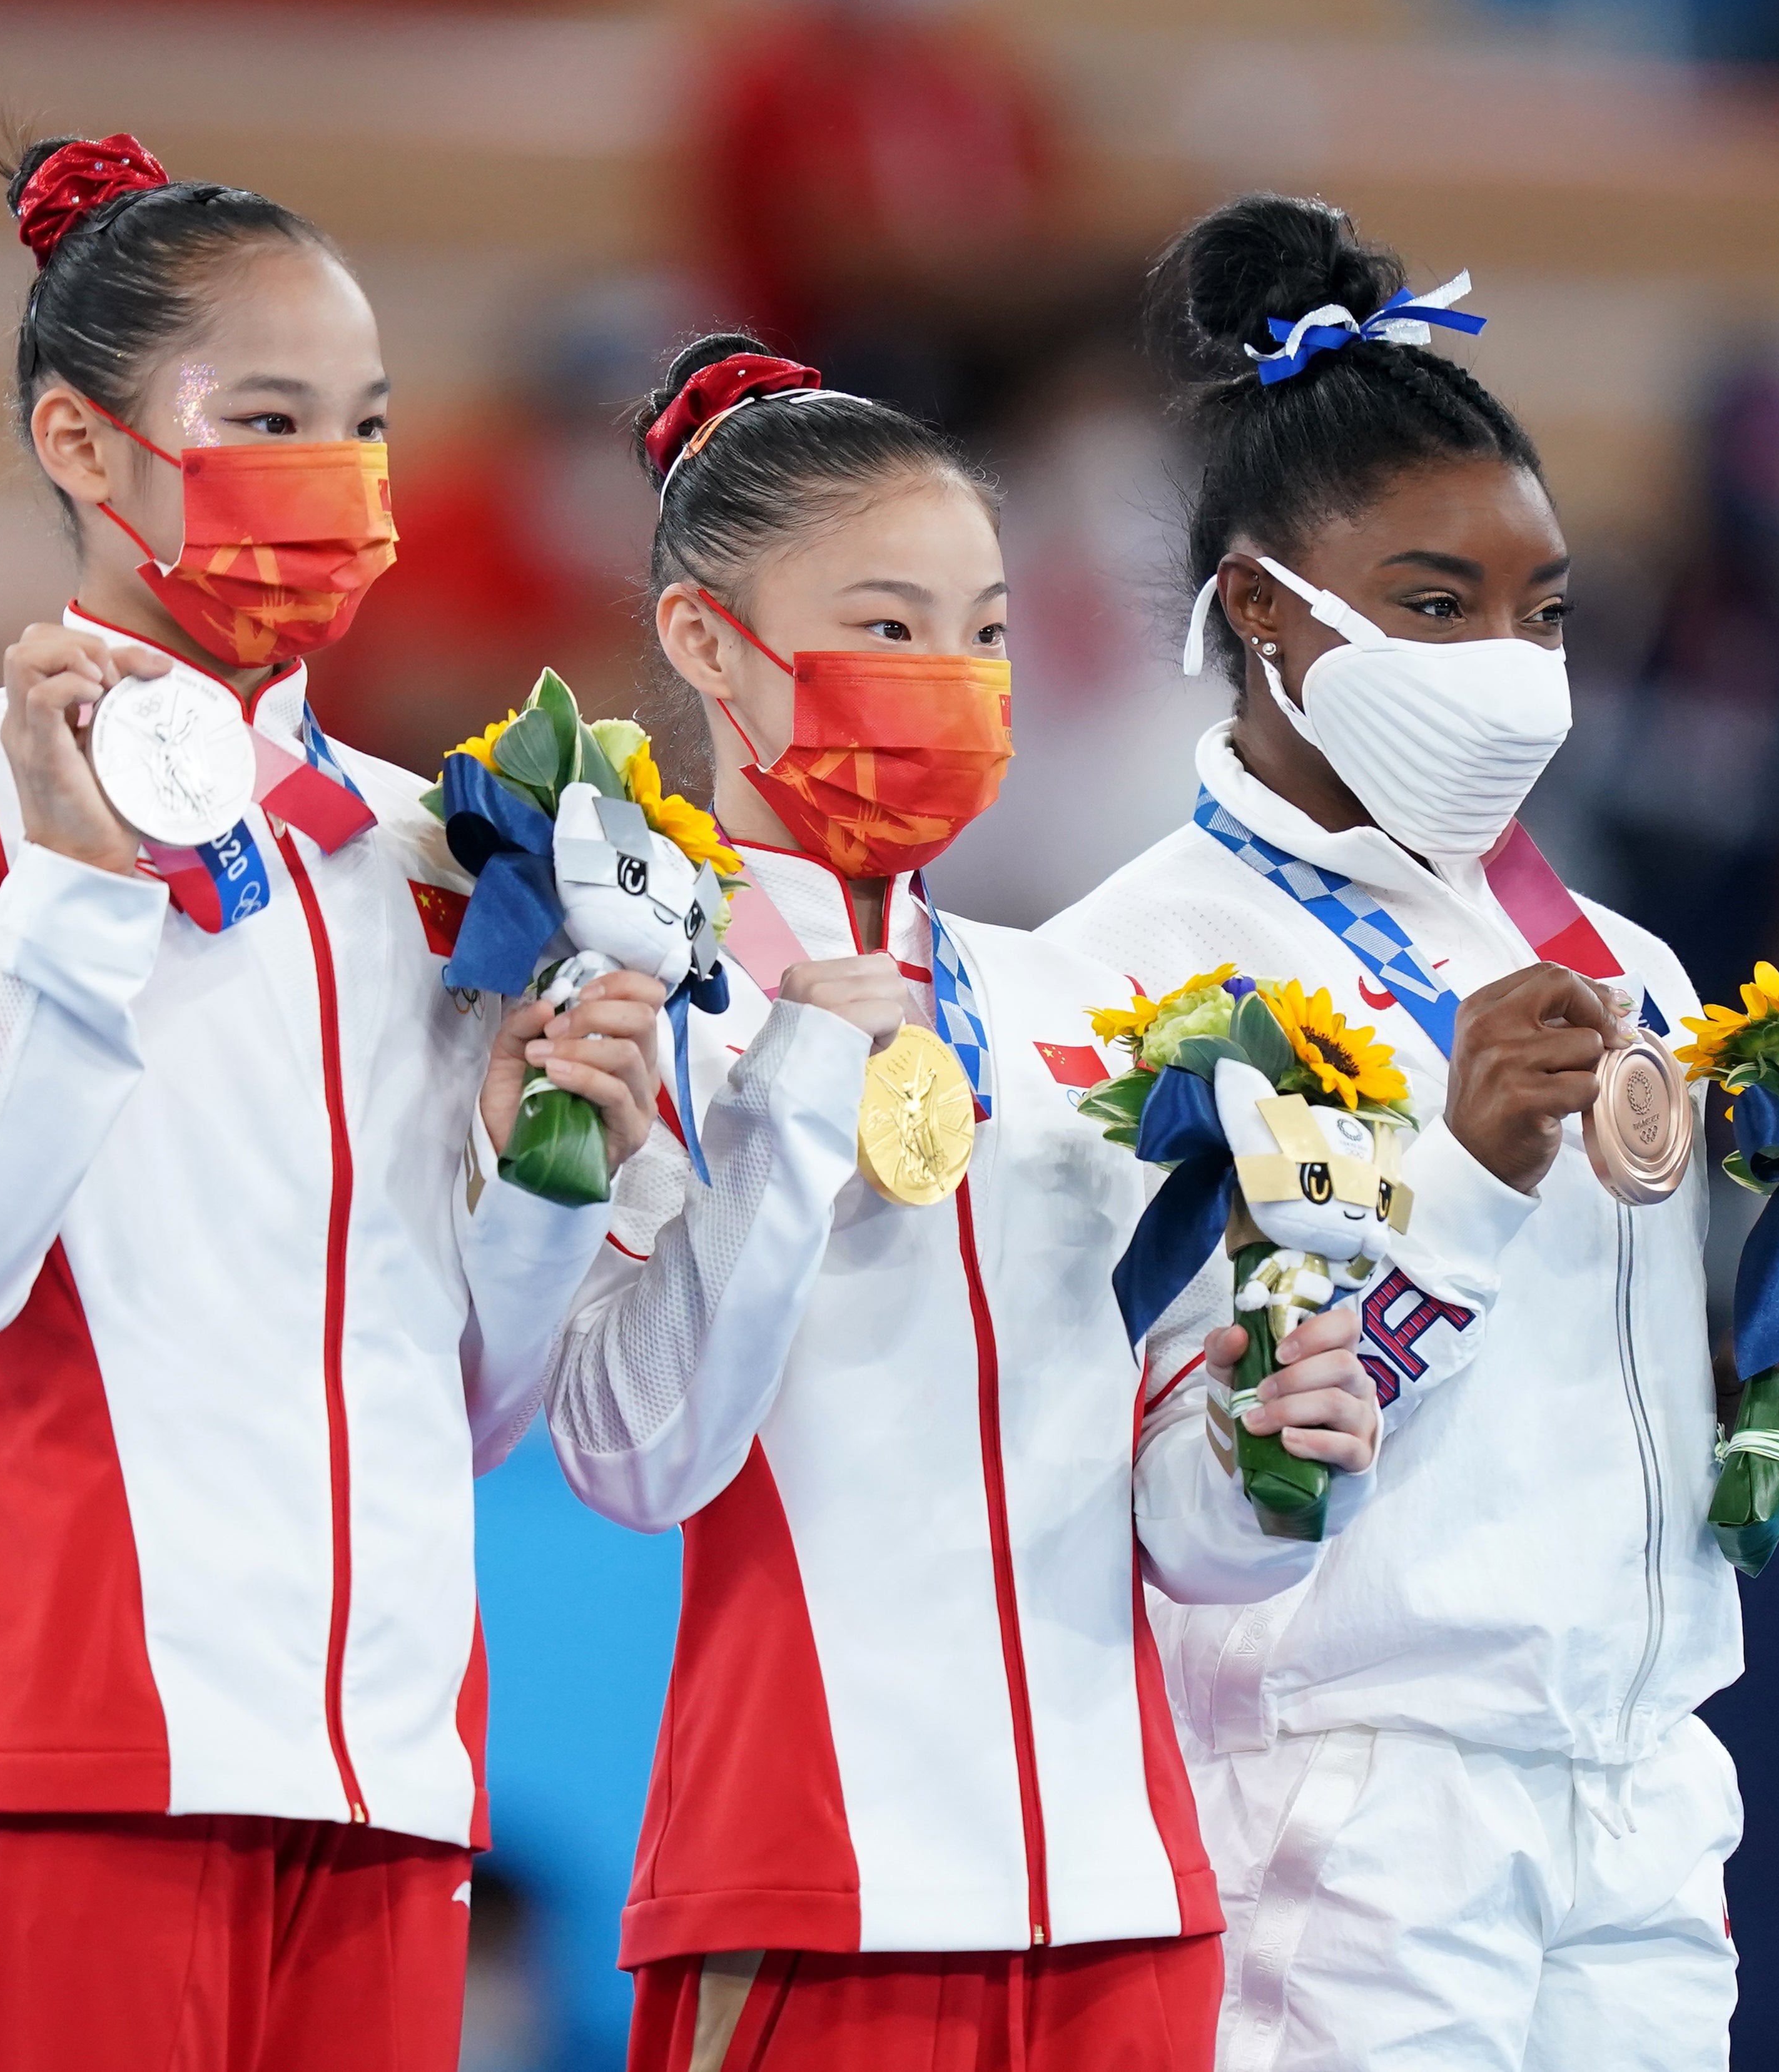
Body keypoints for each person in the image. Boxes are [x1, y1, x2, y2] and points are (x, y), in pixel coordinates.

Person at [0, 133, 669, 2072]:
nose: (341, 478)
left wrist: (547, 1172)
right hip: (77, 1745)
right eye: (266, 415)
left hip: (384, 1763)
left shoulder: (436, 851)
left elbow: (474, 1404)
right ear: (85, 446)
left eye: (364, 424)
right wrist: (85, 888)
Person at [1042, 196, 1779, 2072]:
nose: (1511, 660)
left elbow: (1626, 1383)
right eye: (1438, 603)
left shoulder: (1621, 953)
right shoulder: (1126, 974)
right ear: (1263, 608)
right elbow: (1188, 1509)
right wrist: (1467, 1178)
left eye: (1545, 610)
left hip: (1641, 1779)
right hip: (1355, 1798)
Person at [541, 336, 1390, 2072]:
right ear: (710, 643)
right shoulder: (626, 1000)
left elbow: (1175, 1520)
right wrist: (785, 1109)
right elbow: (635, 1455)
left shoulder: (1080, 1014)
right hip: (816, 1893)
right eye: (887, 627)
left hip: (1123, 1905)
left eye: (988, 633)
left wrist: (1271, 1448)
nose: (951, 676)